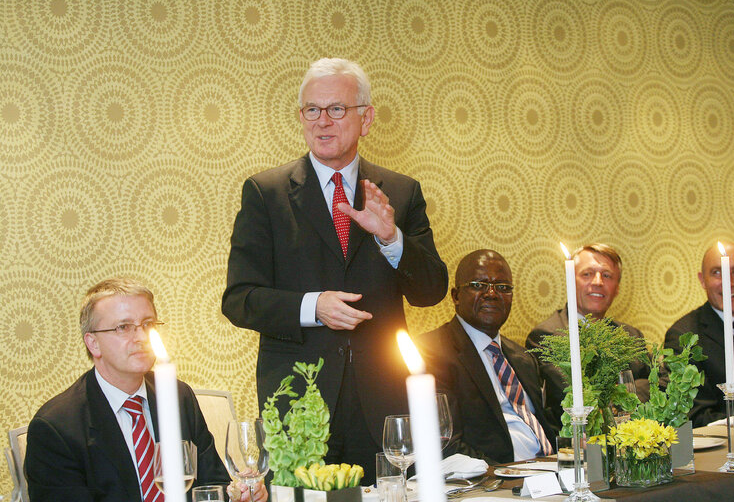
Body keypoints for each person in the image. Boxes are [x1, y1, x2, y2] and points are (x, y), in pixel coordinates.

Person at [222, 58, 448, 482]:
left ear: (366, 119)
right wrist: (313, 306)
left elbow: (431, 290)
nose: (322, 121)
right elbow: (239, 300)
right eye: (312, 110)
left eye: (337, 109)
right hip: (300, 406)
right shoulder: (265, 193)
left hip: (382, 402)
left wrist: (391, 240)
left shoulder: (400, 191)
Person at [24, 278, 266, 502]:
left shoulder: (179, 396)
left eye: (148, 324)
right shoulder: (55, 428)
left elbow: (212, 483)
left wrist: (238, 494)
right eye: (123, 327)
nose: (141, 336)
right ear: (93, 343)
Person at [415, 250, 557, 463]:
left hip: (551, 473)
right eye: (478, 285)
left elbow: (546, 423)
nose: (491, 294)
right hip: (497, 481)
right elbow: (446, 443)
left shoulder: (523, 358)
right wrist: (505, 473)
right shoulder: (431, 352)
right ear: (455, 296)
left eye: (502, 287)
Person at [526, 243, 655, 422]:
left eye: (607, 275)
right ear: (570, 280)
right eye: (587, 274)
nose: (597, 282)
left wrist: (616, 395)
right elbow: (575, 396)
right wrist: (628, 391)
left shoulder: (632, 335)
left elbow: (656, 385)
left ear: (617, 288)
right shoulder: (547, 336)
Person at [665, 242, 734, 427]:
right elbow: (696, 416)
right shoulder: (685, 337)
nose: (729, 282)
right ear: (702, 280)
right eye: (717, 272)